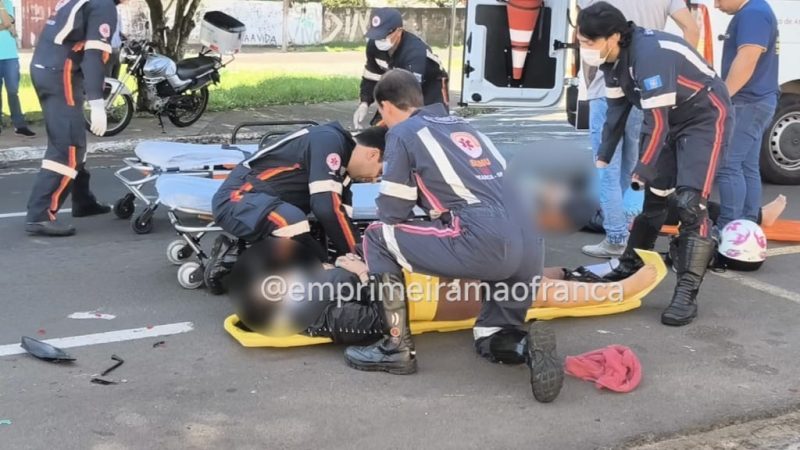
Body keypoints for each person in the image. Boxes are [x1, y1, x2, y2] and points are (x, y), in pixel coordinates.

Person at [342, 69, 568, 404]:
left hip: (485, 237)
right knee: (491, 332)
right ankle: (525, 348)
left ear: (386, 107)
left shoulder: (403, 133)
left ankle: (395, 347)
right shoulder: (465, 126)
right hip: (530, 238)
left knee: (377, 236)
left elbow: (393, 212)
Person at [577, 2, 732, 326]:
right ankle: (631, 266)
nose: (585, 48)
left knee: (691, 203)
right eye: (581, 41)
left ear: (614, 37)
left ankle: (686, 292)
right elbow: (618, 111)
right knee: (655, 198)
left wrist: (642, 169)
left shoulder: (649, 55)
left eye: (589, 42)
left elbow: (657, 124)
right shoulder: (612, 61)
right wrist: (604, 153)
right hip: (670, 119)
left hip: (704, 116)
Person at [578, 0, 699, 258]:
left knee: (606, 166)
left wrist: (590, 84)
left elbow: (585, 34)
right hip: (644, 90)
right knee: (632, 164)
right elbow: (691, 27)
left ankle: (616, 236)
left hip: (608, 86)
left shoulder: (594, 11)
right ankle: (625, 227)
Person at [206, 124, 388, 294]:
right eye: (378, 172)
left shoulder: (344, 169)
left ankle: (236, 257)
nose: (373, 180)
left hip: (265, 205)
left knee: (322, 237)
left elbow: (342, 221)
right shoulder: (329, 140)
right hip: (235, 199)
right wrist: (354, 260)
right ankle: (231, 260)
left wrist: (356, 259)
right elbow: (325, 207)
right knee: (293, 221)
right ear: (372, 154)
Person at [25, 0, 123, 237]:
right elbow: (94, 55)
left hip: (48, 68)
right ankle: (39, 214)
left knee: (74, 137)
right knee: (68, 145)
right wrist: (97, 102)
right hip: (61, 74)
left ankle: (83, 200)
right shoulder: (103, 6)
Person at [714, 0, 780, 228]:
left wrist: (722, 98)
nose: (715, 5)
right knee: (746, 165)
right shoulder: (757, 10)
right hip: (757, 101)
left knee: (728, 165)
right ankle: (747, 223)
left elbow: (748, 58)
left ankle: (727, 227)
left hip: (748, 102)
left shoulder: (753, 13)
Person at [353, 8, 449, 130]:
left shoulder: (414, 52)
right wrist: (364, 103)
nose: (379, 41)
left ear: (398, 31)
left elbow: (407, 96)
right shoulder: (374, 46)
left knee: (428, 128)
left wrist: (385, 122)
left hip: (432, 88)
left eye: (383, 36)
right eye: (376, 36)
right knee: (380, 130)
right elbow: (372, 76)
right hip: (400, 84)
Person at [0, 0, 34, 137]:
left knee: (13, 91)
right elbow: (8, 24)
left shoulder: (6, 2)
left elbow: (10, 22)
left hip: (10, 55)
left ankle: (19, 125)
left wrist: (2, 9)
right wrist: (7, 24)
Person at [105, 5, 125, 78]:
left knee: (115, 79)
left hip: (117, 51)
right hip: (107, 51)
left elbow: (120, 32)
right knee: (107, 79)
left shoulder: (117, 15)